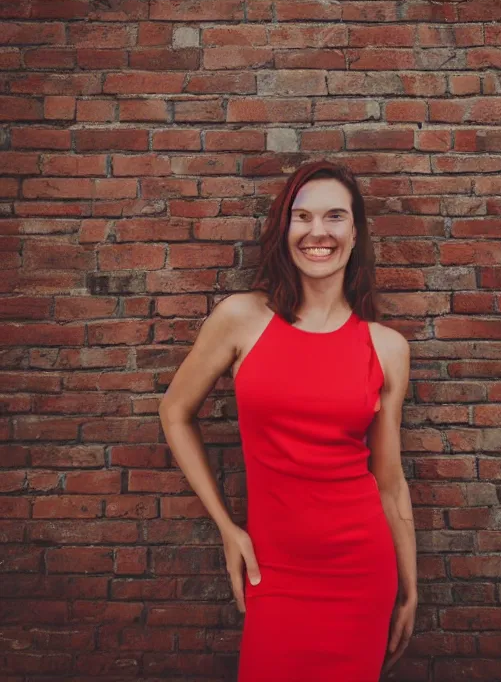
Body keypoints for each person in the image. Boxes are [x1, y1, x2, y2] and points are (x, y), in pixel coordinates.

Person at [159, 160, 417, 681]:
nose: (317, 232)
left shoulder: (387, 348)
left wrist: (411, 587)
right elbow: (174, 411)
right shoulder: (241, 319)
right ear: (285, 229)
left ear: (356, 231)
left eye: (334, 217)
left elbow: (389, 483)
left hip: (360, 573)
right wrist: (228, 529)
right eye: (303, 217)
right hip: (273, 570)